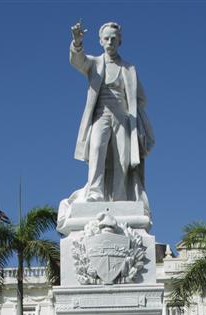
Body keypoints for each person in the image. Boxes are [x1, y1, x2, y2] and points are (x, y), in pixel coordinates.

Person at [66, 20, 153, 206]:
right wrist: (77, 43)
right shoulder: (95, 63)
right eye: (106, 38)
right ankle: (95, 193)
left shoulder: (129, 68)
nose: (110, 42)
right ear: (100, 41)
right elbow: (78, 61)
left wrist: (129, 105)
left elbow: (142, 98)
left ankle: (120, 196)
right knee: (97, 149)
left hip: (123, 119)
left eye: (114, 38)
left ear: (120, 41)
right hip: (100, 115)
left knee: (123, 158)